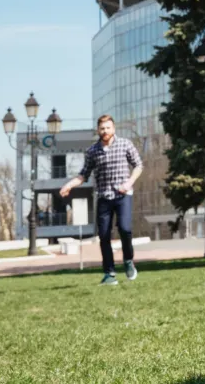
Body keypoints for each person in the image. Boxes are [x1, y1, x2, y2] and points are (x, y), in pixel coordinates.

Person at [60, 115, 143, 286]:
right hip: (104, 197)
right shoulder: (92, 151)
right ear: (98, 130)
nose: (105, 131)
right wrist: (69, 185)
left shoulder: (125, 144)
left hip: (123, 195)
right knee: (104, 236)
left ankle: (128, 261)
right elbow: (83, 175)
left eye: (108, 128)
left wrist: (129, 183)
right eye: (102, 128)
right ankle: (109, 274)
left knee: (125, 229)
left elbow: (138, 165)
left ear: (113, 129)